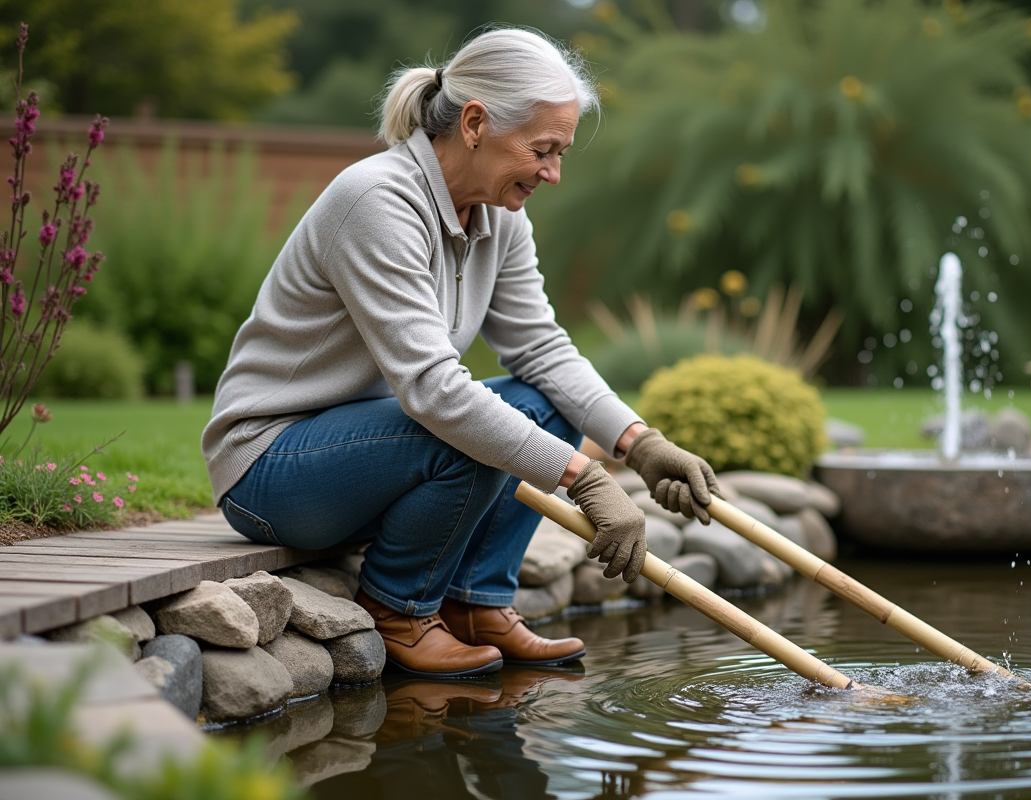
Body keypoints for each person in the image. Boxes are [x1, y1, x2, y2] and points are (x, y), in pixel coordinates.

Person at [202, 28, 719, 679]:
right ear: (475, 123)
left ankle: (474, 604)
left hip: (369, 453)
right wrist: (585, 480)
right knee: (463, 427)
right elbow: (434, 392)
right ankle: (398, 608)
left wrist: (638, 442)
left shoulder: (500, 214)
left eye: (560, 153)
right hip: (271, 467)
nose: (553, 174)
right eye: (543, 150)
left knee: (540, 404)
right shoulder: (376, 201)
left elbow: (540, 348)